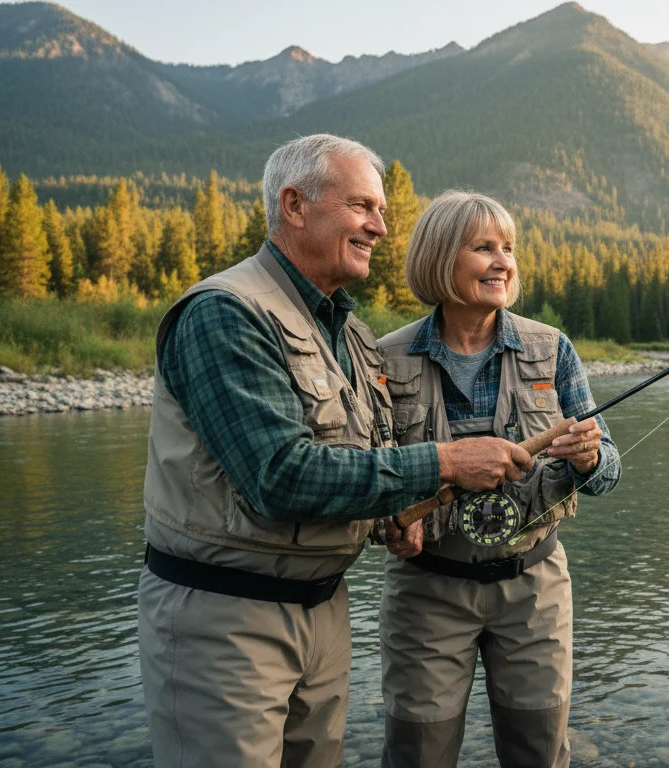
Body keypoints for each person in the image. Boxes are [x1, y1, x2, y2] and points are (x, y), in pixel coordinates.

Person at [137, 135, 532, 768]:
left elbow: (359, 456)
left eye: (380, 211)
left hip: (325, 612)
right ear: (294, 205)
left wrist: (393, 522)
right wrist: (448, 462)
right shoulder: (225, 313)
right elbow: (279, 474)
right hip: (226, 620)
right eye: (361, 207)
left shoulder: (349, 331)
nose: (379, 226)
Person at [376, 190, 621, 767]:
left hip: (534, 588)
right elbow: (366, 475)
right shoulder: (383, 358)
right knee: (419, 754)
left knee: (538, 753)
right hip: (426, 591)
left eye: (508, 248)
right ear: (440, 257)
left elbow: (609, 472)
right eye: (483, 247)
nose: (503, 261)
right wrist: (384, 524)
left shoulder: (552, 349)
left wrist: (589, 458)